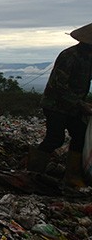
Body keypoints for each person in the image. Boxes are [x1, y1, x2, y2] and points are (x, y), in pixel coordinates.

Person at [26, 22, 92, 188]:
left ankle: (72, 176)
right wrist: (81, 104)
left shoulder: (89, 57)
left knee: (80, 135)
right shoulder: (69, 56)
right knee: (55, 139)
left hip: (74, 107)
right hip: (55, 105)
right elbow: (59, 86)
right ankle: (32, 172)